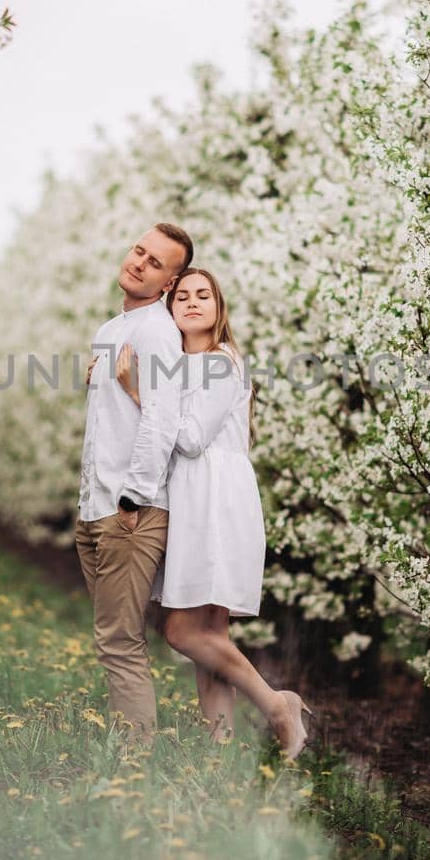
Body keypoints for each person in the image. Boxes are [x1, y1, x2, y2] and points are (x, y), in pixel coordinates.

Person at [116, 266, 312, 759]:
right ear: (170, 306)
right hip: (194, 495)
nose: (193, 302)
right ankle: (219, 755)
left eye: (204, 295)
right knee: (210, 636)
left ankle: (276, 705)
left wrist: (140, 394)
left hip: (214, 499)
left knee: (182, 631)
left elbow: (190, 437)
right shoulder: (182, 363)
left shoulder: (220, 363)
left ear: (218, 307)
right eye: (182, 295)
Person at [74, 223, 193, 738]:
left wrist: (133, 497)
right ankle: (127, 756)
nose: (140, 263)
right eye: (139, 251)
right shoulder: (110, 328)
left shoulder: (157, 331)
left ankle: (135, 771)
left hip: (129, 510)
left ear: (168, 283)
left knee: (121, 643)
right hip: (95, 507)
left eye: (155, 263)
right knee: (112, 641)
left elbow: (162, 419)